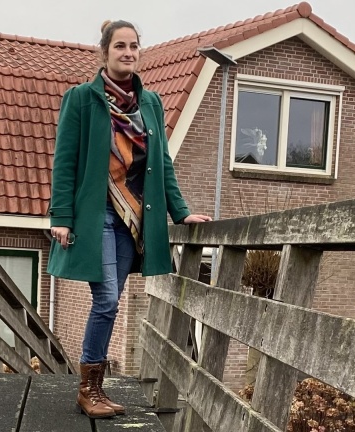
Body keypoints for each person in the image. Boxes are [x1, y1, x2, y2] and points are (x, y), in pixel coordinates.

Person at [47, 19, 211, 419]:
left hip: (133, 216)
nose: (128, 52)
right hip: (96, 214)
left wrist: (181, 211)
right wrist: (61, 216)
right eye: (119, 46)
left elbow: (162, 165)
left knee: (113, 300)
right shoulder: (82, 98)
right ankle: (88, 389)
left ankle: (94, 388)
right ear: (104, 52)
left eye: (134, 46)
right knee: (105, 300)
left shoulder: (151, 103)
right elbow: (65, 161)